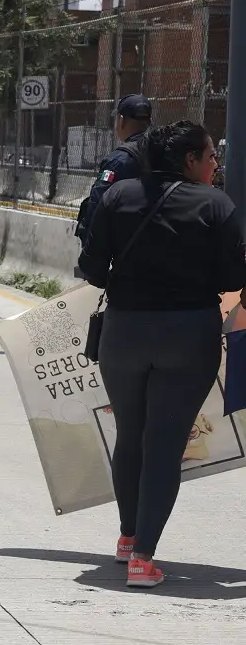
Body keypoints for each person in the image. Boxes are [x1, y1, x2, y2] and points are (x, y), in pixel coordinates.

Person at [78, 120, 245, 589]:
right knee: (166, 445)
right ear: (189, 160)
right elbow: (233, 278)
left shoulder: (118, 196)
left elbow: (91, 266)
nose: (215, 164)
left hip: (124, 332)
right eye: (211, 156)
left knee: (130, 433)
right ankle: (144, 559)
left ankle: (128, 539)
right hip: (187, 334)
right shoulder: (216, 205)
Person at [76, 94, 151, 248]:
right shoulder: (162, 152)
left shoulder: (119, 160)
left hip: (125, 247)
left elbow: (99, 202)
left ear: (121, 121)